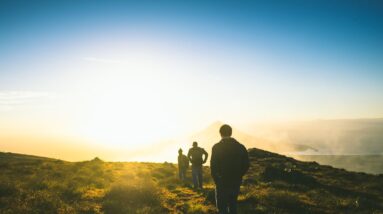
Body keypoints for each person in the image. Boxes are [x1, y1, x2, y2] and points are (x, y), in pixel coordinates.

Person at [211, 124, 250, 214]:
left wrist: (217, 180)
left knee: (222, 207)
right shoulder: (240, 146)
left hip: (221, 182)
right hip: (235, 182)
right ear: (231, 133)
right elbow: (247, 164)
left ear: (220, 133)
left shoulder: (216, 147)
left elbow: (213, 167)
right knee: (233, 205)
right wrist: (239, 175)